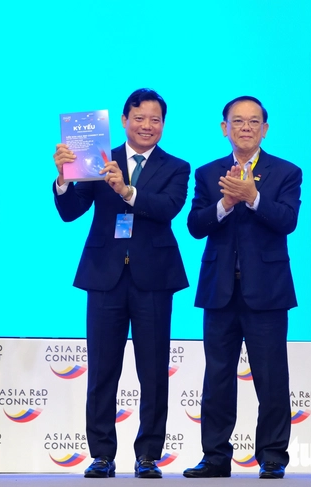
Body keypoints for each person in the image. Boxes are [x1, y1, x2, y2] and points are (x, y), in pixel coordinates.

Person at [53, 88, 190, 479]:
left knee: (153, 370)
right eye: (139, 118)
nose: (147, 126)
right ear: (125, 120)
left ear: (163, 124)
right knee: (101, 369)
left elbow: (167, 209)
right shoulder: (97, 157)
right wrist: (63, 178)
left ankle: (148, 455)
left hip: (154, 278)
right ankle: (101, 454)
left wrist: (127, 192)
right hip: (104, 275)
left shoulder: (177, 167)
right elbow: (70, 211)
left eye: (155, 120)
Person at [183, 96, 301, 480]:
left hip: (267, 291)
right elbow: (195, 225)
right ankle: (215, 457)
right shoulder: (207, 173)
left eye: (253, 122)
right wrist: (225, 203)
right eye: (238, 121)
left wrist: (253, 198)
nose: (245, 127)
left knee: (271, 377)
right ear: (225, 128)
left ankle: (272, 456)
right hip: (219, 290)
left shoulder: (286, 172)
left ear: (265, 129)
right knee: (217, 378)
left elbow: (287, 221)